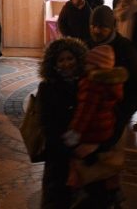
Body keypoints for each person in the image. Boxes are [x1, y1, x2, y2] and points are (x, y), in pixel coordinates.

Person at [63, 44, 126, 198]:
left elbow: (85, 113)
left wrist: (74, 133)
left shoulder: (91, 84)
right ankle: (111, 189)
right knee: (103, 166)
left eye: (88, 63)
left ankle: (76, 187)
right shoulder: (112, 83)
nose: (84, 65)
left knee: (76, 160)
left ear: (96, 65)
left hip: (92, 132)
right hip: (105, 130)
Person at [38, 37, 87, 209]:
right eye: (61, 60)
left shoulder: (86, 84)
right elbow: (46, 123)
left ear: (78, 59)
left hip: (83, 153)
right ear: (53, 63)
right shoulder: (47, 87)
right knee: (56, 199)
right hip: (58, 155)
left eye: (70, 58)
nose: (66, 63)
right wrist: (66, 146)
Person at [89, 5, 137, 132]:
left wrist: (119, 116)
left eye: (102, 27)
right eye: (93, 26)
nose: (96, 30)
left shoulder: (125, 49)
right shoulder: (89, 45)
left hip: (115, 113)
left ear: (111, 27)